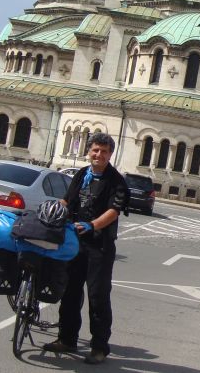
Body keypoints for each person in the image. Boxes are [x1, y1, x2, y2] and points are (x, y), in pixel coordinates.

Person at [43, 132, 128, 365]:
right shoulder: (82, 174)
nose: (98, 154)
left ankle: (99, 347)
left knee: (98, 296)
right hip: (74, 243)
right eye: (95, 150)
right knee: (70, 291)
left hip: (99, 246)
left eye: (104, 151)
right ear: (89, 151)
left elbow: (114, 211)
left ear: (110, 154)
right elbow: (67, 200)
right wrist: (52, 209)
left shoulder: (116, 181)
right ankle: (67, 338)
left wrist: (92, 226)